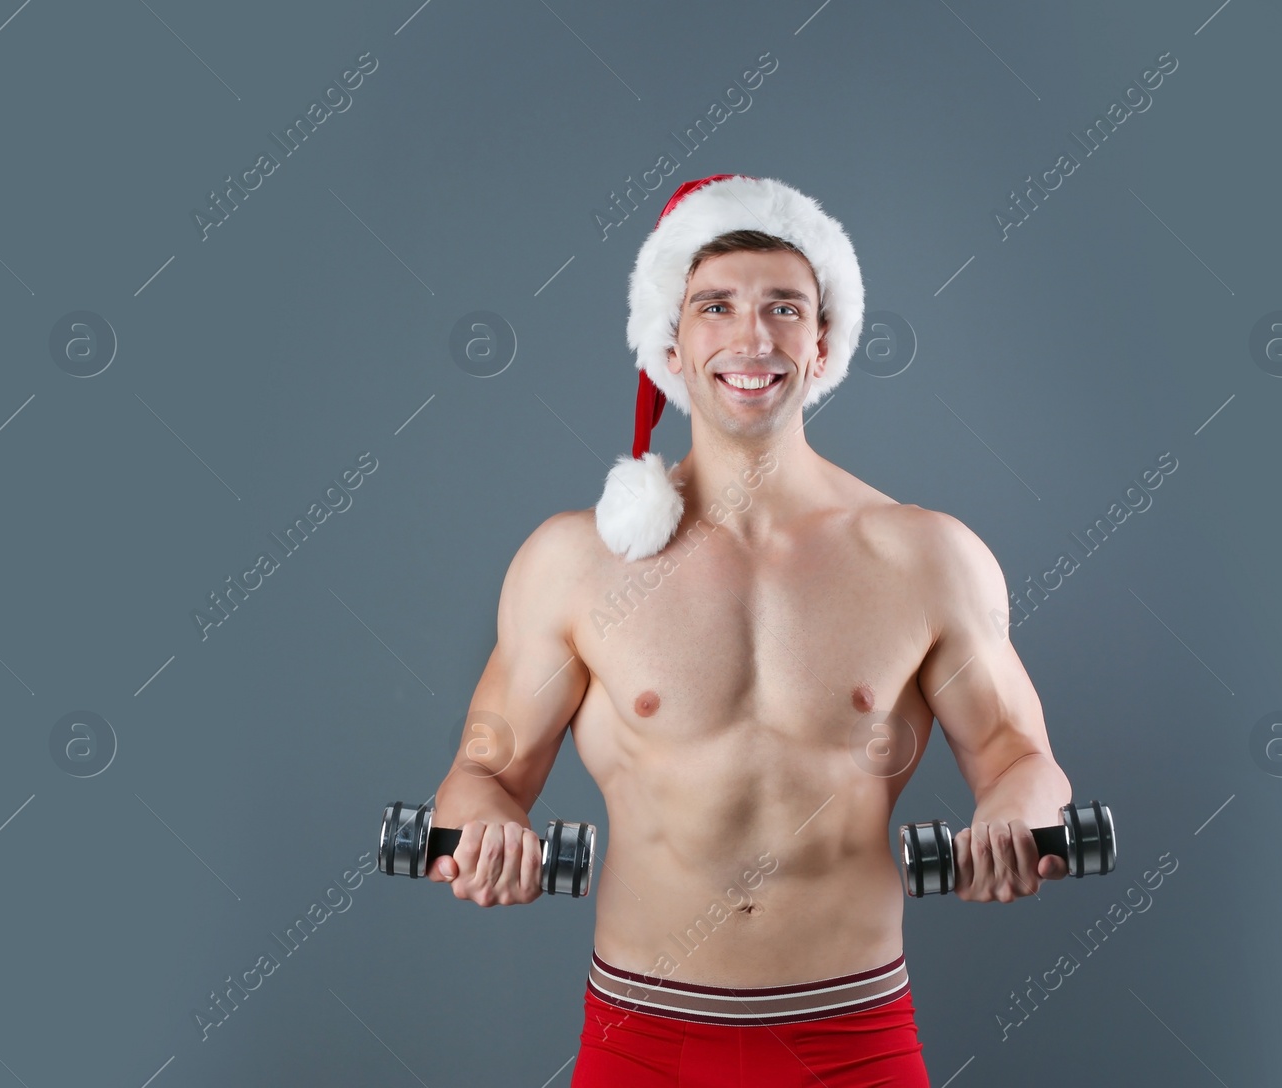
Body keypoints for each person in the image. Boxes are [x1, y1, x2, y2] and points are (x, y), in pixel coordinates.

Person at [429, 174, 1073, 1087]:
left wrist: (1017, 809)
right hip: (645, 1043)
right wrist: (486, 826)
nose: (751, 336)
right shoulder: (574, 563)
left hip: (851, 1040)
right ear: (670, 339)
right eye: (715, 306)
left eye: (783, 307)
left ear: (822, 342)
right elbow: (480, 773)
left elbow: (1020, 755)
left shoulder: (926, 557)